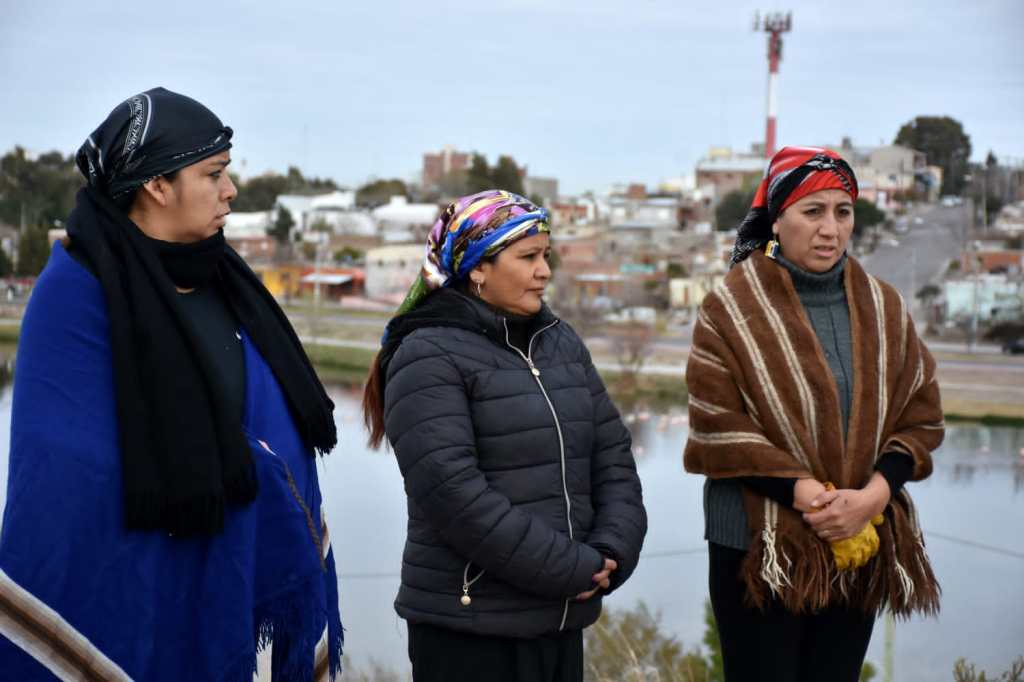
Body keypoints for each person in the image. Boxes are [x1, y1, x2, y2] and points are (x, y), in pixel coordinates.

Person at [0, 87, 343, 680]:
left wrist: (255, 465)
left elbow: (266, 411)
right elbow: (66, 469)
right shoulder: (75, 292)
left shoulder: (221, 279)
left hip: (227, 554)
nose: (231, 191)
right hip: (126, 568)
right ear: (157, 185)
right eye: (214, 174)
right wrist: (223, 465)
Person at [362, 190, 647, 682]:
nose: (545, 271)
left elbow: (613, 456)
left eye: (547, 256)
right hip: (470, 632)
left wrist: (612, 551)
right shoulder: (426, 354)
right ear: (477, 268)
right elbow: (454, 495)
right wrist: (572, 568)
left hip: (559, 624)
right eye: (528, 257)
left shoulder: (559, 341)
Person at [683, 146, 944, 681]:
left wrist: (872, 497)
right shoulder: (728, 308)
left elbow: (921, 417)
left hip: (858, 540)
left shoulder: (884, 306)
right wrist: (807, 494)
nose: (830, 229)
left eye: (842, 212)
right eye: (812, 211)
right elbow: (716, 424)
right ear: (778, 218)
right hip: (758, 548)